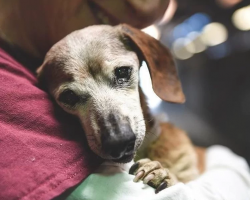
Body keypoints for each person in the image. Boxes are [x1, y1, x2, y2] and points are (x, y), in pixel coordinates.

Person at [0, 1, 249, 200]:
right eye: (71, 96)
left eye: (121, 73)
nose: (116, 137)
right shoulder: (19, 84)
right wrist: (228, 163)